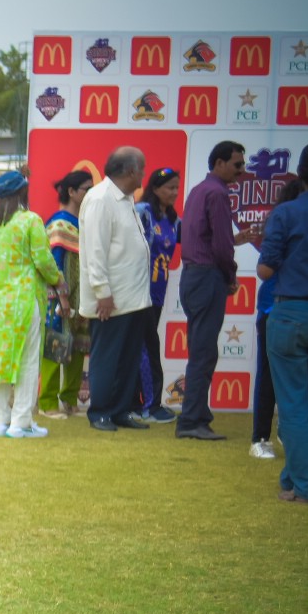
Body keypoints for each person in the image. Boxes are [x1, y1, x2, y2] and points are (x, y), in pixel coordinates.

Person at [0, 169, 67, 438]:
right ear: (23, 192)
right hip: (23, 298)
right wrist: (58, 280)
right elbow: (43, 260)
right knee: (27, 360)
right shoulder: (30, 221)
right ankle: (20, 422)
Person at [176, 141, 249, 441]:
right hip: (207, 277)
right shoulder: (218, 193)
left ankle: (195, 416)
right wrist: (230, 275)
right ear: (219, 163)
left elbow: (205, 238)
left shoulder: (198, 190)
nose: (241, 170)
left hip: (193, 276)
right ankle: (191, 421)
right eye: (237, 164)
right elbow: (221, 245)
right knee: (204, 352)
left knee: (200, 350)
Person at [80, 147, 153, 432]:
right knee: (107, 357)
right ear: (131, 171)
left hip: (133, 297)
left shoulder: (124, 198)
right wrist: (103, 293)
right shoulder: (100, 199)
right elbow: (95, 251)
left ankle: (120, 410)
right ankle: (99, 412)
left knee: (128, 358)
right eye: (142, 169)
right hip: (111, 298)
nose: (144, 175)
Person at [257, 147, 308, 505]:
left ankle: (302, 484)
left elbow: (265, 269)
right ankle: (292, 479)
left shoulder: (287, 212)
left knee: (292, 404)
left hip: (291, 312)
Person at [251, 176, 303, 460]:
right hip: (274, 308)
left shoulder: (285, 218)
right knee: (268, 377)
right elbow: (266, 269)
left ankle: (287, 430)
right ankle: (260, 437)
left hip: (289, 311)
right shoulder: (281, 222)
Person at [39, 170, 93, 418]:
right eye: (86, 189)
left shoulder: (85, 222)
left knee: (79, 347)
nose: (90, 193)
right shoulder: (59, 224)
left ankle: (70, 399)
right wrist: (61, 297)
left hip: (82, 297)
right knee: (55, 345)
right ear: (71, 192)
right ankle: (48, 402)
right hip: (59, 298)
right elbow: (54, 264)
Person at [133, 167, 181, 423]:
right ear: (154, 188)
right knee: (146, 347)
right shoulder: (143, 212)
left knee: (146, 346)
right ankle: (149, 406)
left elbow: (196, 239)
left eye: (177, 188)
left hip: (159, 293)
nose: (174, 192)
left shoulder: (173, 219)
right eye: (169, 187)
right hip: (140, 291)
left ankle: (140, 404)